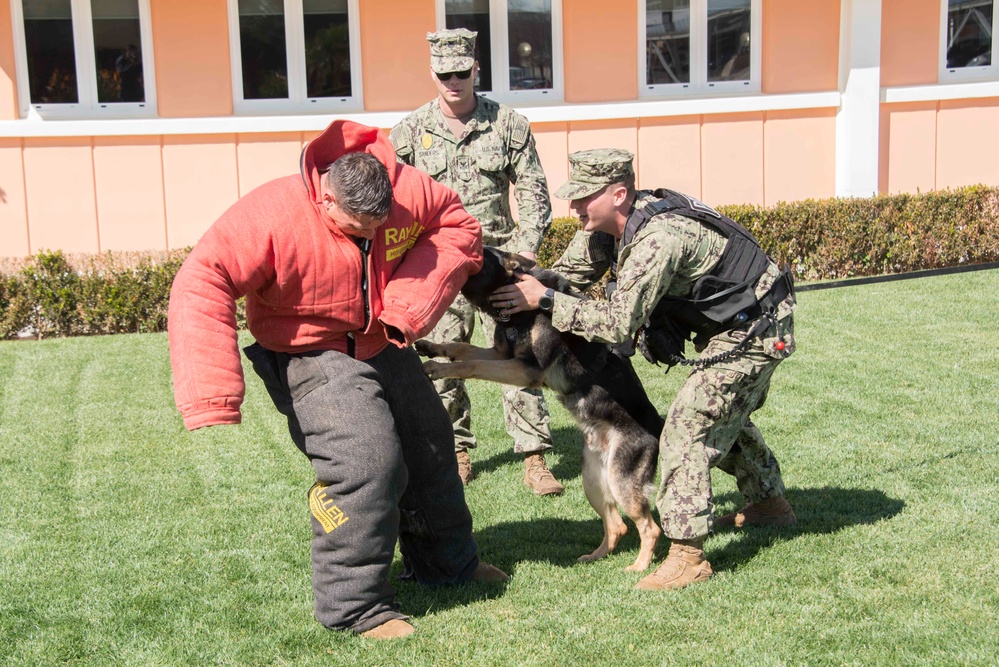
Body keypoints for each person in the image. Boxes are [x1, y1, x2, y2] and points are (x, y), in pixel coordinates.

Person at [168, 120, 509, 640]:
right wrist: (211, 396)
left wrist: (406, 305)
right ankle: (355, 608)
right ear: (326, 199)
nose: (372, 237)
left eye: (379, 226)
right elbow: (202, 279)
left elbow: (457, 225)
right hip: (308, 351)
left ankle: (448, 567)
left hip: (382, 337)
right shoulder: (271, 214)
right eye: (359, 229)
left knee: (431, 445)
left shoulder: (409, 189)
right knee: (366, 463)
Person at [489, 149, 798, 590]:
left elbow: (615, 322)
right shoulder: (604, 230)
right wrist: (514, 282)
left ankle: (687, 554)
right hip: (733, 323)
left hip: (761, 328)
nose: (572, 207)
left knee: (688, 424)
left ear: (618, 194)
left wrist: (547, 301)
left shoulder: (659, 238)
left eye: (583, 198)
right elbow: (562, 278)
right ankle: (770, 505)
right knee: (721, 414)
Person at [389, 28, 562, 495]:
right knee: (441, 356)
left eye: (461, 72)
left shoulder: (507, 124)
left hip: (498, 265)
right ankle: (457, 452)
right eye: (444, 74)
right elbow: (396, 204)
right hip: (438, 265)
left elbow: (533, 191)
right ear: (432, 73)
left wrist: (525, 253)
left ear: (475, 69)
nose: (453, 81)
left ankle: (534, 458)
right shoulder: (407, 134)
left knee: (517, 357)